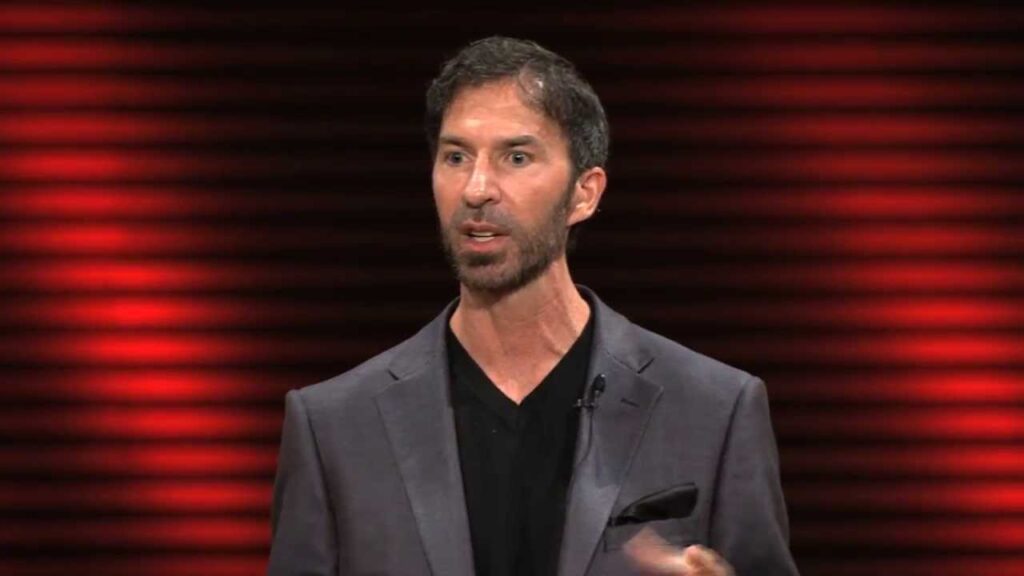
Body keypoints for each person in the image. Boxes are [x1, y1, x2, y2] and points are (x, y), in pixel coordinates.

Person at [267, 36, 799, 576]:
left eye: (516, 158)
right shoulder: (334, 428)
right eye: (456, 157)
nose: (476, 188)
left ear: (584, 194)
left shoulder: (715, 412)